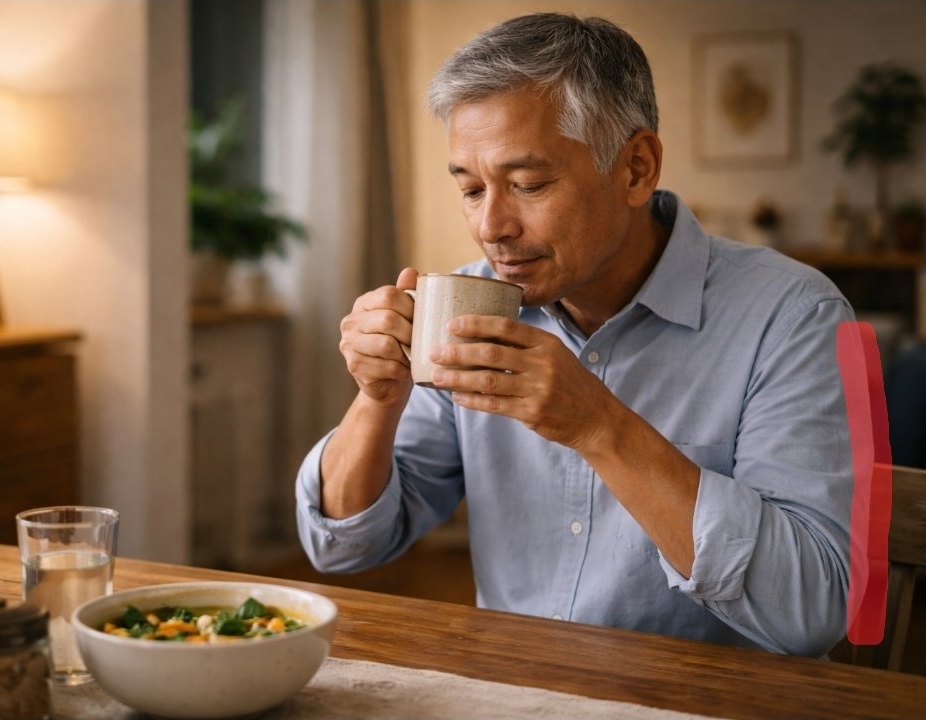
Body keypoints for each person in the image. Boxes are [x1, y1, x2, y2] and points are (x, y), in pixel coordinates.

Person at [295, 12, 854, 657]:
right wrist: (377, 400)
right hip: (511, 692)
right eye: (472, 189)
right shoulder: (471, 307)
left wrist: (599, 427)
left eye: (529, 185)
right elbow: (344, 546)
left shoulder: (794, 316)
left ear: (637, 168)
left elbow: (814, 609)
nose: (491, 226)